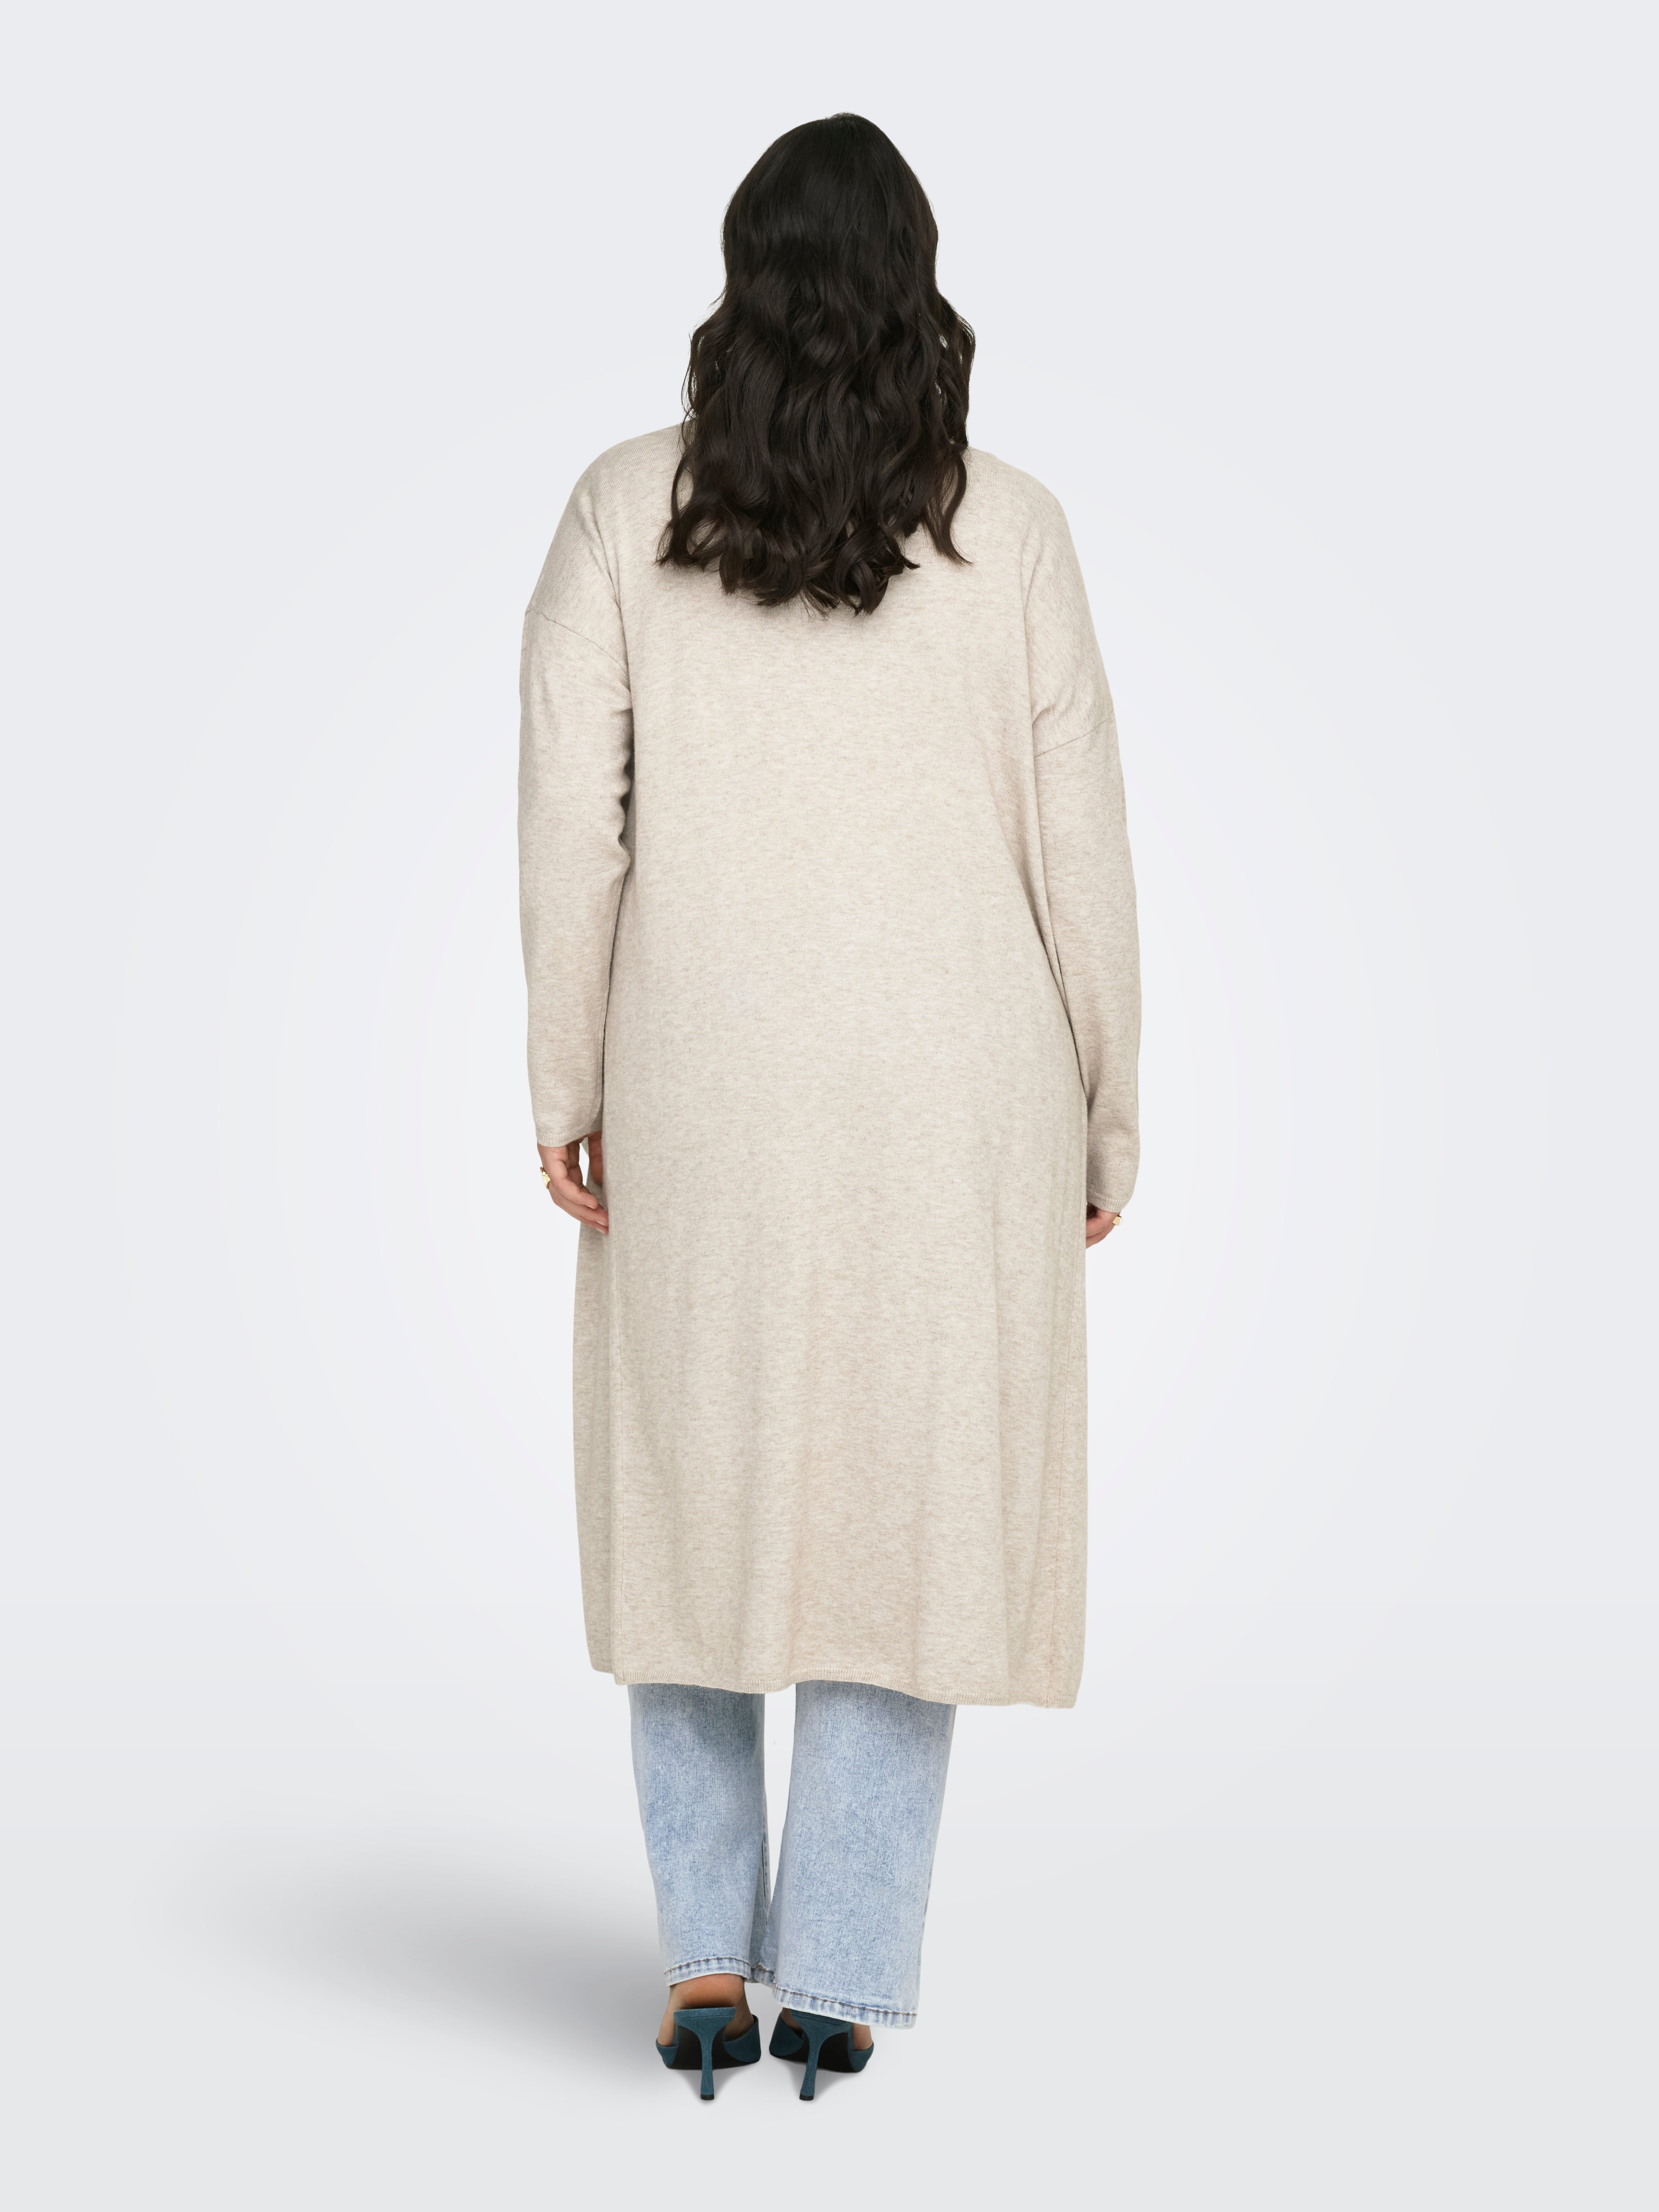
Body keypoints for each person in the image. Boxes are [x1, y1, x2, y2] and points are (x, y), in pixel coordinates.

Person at [518, 113, 1140, 2102]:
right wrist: (1110, 1106)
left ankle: (708, 1960)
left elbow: (570, 821)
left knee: (689, 1490)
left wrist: (566, 1070)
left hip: (705, 1080)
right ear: (920, 291)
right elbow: (1084, 845)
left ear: (739, 284)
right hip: (963, 1092)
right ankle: (844, 1980)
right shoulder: (1010, 528)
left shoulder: (626, 508)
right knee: (904, 1508)